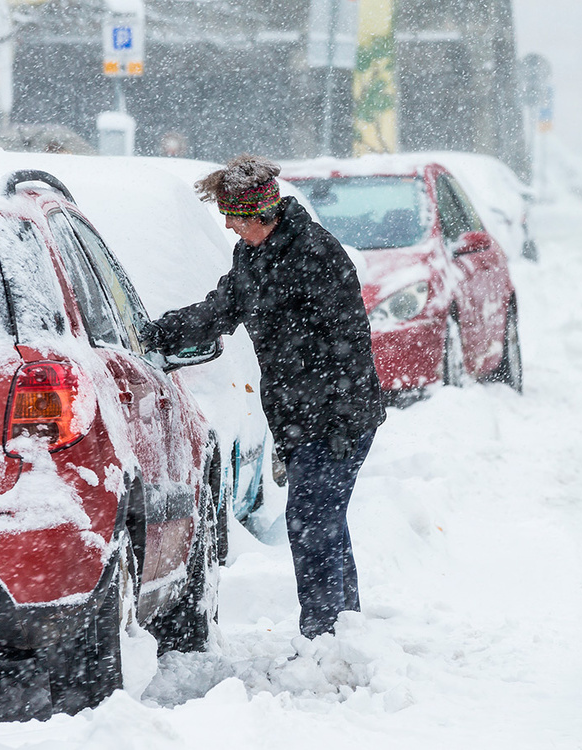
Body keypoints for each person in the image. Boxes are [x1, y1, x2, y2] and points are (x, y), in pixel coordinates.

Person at [141, 155, 386, 638]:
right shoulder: (253, 256)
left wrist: (339, 422)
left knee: (310, 523)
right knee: (323, 523)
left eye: (236, 217)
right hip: (299, 418)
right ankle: (344, 631)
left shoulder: (315, 254)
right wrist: (158, 333)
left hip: (337, 419)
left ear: (263, 213)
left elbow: (351, 343)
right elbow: (222, 308)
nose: (230, 227)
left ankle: (323, 634)